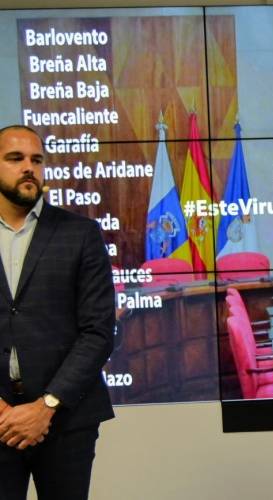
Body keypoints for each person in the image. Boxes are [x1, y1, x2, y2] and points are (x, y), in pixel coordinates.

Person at [0, 125, 115, 500]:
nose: (29, 167)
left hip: (66, 420)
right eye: (15, 159)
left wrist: (45, 407)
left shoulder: (80, 234)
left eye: (36, 159)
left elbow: (98, 332)